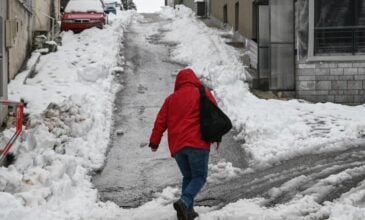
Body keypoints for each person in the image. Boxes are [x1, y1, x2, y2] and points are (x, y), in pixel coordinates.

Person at [148, 68, 218, 220]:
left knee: (188, 176)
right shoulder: (202, 93)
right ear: (194, 79)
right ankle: (184, 201)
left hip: (178, 147)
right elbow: (214, 115)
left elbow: (160, 122)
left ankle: (187, 212)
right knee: (199, 176)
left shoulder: (171, 99)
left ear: (178, 82)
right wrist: (217, 136)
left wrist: (154, 141)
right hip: (197, 143)